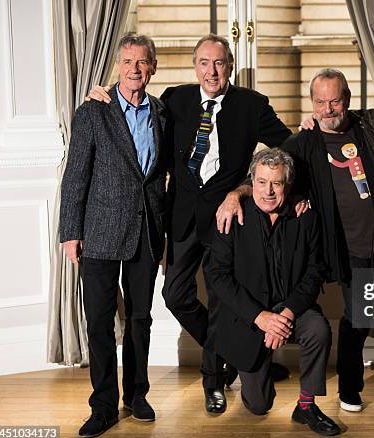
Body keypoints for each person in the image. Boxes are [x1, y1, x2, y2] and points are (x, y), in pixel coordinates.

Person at [88, 34, 292, 413]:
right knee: (175, 295)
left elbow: (286, 150)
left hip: (227, 219)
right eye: (203, 63)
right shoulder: (174, 100)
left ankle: (214, 384)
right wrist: (98, 98)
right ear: (194, 66)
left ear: (229, 66)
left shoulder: (251, 105)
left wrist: (244, 191)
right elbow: (136, 128)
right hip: (180, 217)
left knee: (219, 301)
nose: (211, 71)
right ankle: (235, 351)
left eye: (218, 63)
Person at [228, 68, 374, 413]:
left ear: (348, 100)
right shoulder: (302, 143)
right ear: (312, 104)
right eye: (321, 102)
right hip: (336, 247)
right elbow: (266, 173)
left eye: (335, 101)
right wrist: (235, 195)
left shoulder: (371, 128)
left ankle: (369, 383)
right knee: (349, 314)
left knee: (372, 312)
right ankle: (335, 385)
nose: (329, 109)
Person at [60, 33, 166, 438]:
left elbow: (159, 179)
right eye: (127, 62)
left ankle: (136, 394)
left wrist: (164, 235)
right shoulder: (93, 111)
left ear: (152, 67)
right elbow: (76, 175)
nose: (134, 69)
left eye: (141, 62)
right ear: (118, 66)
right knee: (100, 322)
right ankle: (103, 405)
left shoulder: (161, 111)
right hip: (99, 231)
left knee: (140, 319)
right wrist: (71, 232)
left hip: (145, 230)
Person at [207, 148, 340, 436]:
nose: (268, 191)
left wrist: (287, 312)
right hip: (249, 314)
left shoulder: (305, 217)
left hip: (291, 307)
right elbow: (218, 276)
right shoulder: (232, 216)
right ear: (250, 183)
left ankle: (306, 406)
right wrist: (260, 317)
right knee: (258, 405)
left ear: (287, 185)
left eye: (276, 183)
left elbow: (314, 271)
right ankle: (250, 366)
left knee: (318, 329)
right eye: (262, 182)